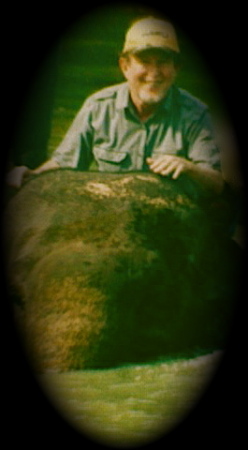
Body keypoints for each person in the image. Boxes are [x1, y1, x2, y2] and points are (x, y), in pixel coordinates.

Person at [6, 16, 224, 195]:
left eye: (163, 62)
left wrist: (188, 167)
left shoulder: (195, 113)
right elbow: (64, 164)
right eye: (145, 61)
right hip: (112, 217)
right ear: (125, 66)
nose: (154, 73)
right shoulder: (98, 107)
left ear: (176, 68)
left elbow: (216, 183)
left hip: (170, 222)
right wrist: (30, 176)